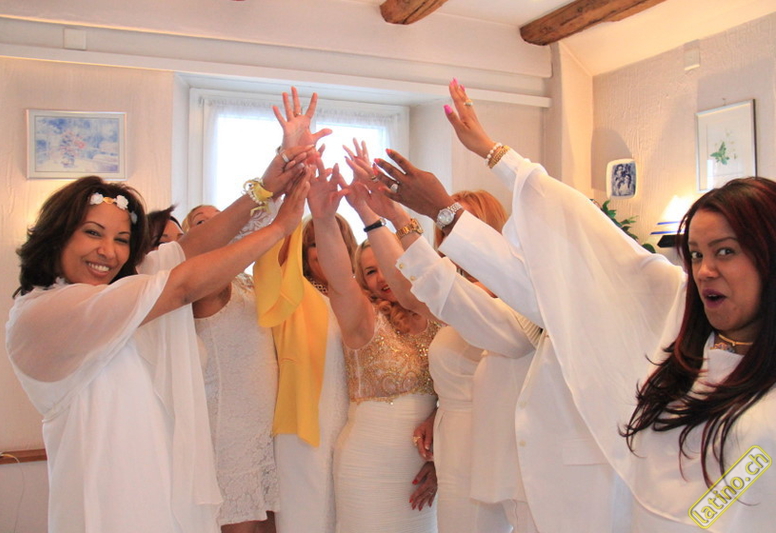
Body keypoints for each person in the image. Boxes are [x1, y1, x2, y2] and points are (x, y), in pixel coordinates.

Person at [376, 78, 776, 530]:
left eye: (726, 251)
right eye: (697, 255)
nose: (705, 271)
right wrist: (485, 160)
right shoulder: (680, 322)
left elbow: (728, 499)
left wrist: (484, 167)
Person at [5, 148, 310, 533]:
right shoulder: (46, 312)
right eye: (93, 233)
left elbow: (190, 248)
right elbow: (182, 286)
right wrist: (278, 228)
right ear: (57, 234)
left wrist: (265, 187)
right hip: (109, 501)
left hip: (159, 489)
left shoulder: (113, 291)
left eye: (121, 239)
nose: (108, 251)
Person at [344, 139, 539, 532]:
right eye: (445, 225)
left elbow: (412, 292)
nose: (451, 233)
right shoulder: (451, 292)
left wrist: (390, 217)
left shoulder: (506, 293)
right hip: (452, 441)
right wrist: (373, 216)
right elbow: (408, 290)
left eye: (458, 222)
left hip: (491, 443)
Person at [306, 158, 440, 533]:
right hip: (368, 466)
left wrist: (441, 457)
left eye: (385, 263)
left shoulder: (437, 317)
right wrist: (324, 219)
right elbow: (338, 279)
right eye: (369, 271)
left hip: (425, 470)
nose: (382, 277)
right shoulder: (364, 320)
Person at [251, 87, 348, 533]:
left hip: (356, 432)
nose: (323, 251)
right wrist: (293, 169)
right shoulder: (296, 295)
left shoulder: (364, 301)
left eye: (334, 241)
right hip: (304, 429)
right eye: (313, 245)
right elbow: (273, 249)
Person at [186, 200, 282, 533]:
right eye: (202, 223)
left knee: (269, 524)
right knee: (237, 524)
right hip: (229, 427)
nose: (219, 226)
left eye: (223, 218)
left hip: (265, 424)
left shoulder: (247, 280)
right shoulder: (202, 281)